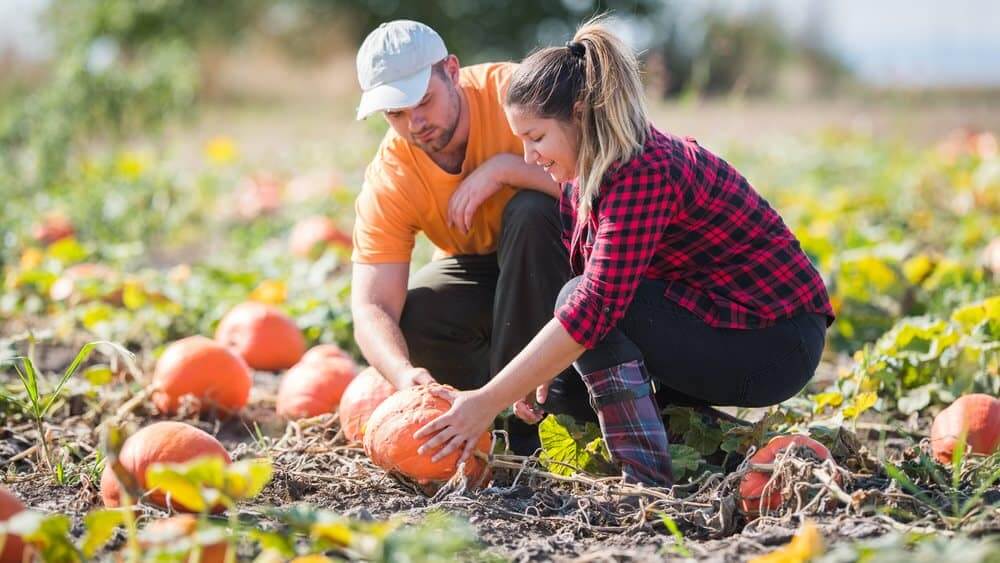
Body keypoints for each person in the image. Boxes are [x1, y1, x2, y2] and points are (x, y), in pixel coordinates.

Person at [414, 17, 836, 486]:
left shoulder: (643, 171)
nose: (528, 158)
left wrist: (486, 400)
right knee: (562, 391)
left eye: (536, 139)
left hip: (776, 341)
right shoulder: (583, 180)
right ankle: (710, 446)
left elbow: (593, 306)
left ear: (580, 114)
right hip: (710, 318)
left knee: (579, 306)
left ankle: (647, 479)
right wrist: (535, 377)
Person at [349, 20, 590, 453]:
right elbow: (371, 304)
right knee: (413, 318)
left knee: (530, 212)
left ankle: (534, 428)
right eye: (396, 113)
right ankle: (513, 404)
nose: (415, 123)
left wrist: (506, 169)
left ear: (453, 70)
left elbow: (611, 185)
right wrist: (405, 376)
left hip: (576, 266)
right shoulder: (392, 174)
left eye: (423, 100)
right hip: (495, 279)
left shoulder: (520, 93)